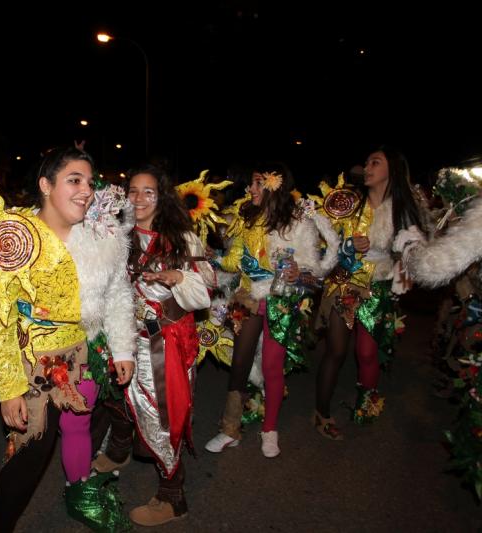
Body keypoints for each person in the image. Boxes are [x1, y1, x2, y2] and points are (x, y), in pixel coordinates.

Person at [0, 146, 136, 532]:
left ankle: (78, 491)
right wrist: (9, 388)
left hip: (82, 354)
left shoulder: (103, 239)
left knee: (81, 424)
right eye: (73, 180)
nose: (85, 190)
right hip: (31, 363)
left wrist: (122, 349)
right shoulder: (16, 238)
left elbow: (118, 294)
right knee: (31, 451)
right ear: (46, 185)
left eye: (89, 182)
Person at [204, 163, 339, 456]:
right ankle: (230, 429)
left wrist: (296, 272)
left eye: (255, 184)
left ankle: (270, 428)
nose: (249, 190)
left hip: (281, 300)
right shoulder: (247, 220)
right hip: (249, 297)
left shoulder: (298, 224)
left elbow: (314, 271)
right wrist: (215, 258)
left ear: (273, 186)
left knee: (271, 367)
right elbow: (234, 260)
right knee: (239, 363)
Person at [111, 164, 215, 526]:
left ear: (162, 197)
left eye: (147, 191)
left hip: (164, 341)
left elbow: (206, 289)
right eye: (132, 190)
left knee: (162, 415)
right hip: (124, 337)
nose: (138, 198)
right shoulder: (115, 233)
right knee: (120, 399)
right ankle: (119, 450)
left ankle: (173, 496)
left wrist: (179, 276)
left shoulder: (180, 237)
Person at [314, 146, 425, 438]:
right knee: (336, 350)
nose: (368, 167)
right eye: (366, 162)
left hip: (378, 285)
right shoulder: (350, 204)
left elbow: (414, 248)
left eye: (375, 162)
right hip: (345, 282)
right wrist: (349, 245)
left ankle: (367, 404)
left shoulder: (402, 210)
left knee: (366, 352)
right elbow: (327, 243)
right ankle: (321, 413)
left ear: (392, 171)